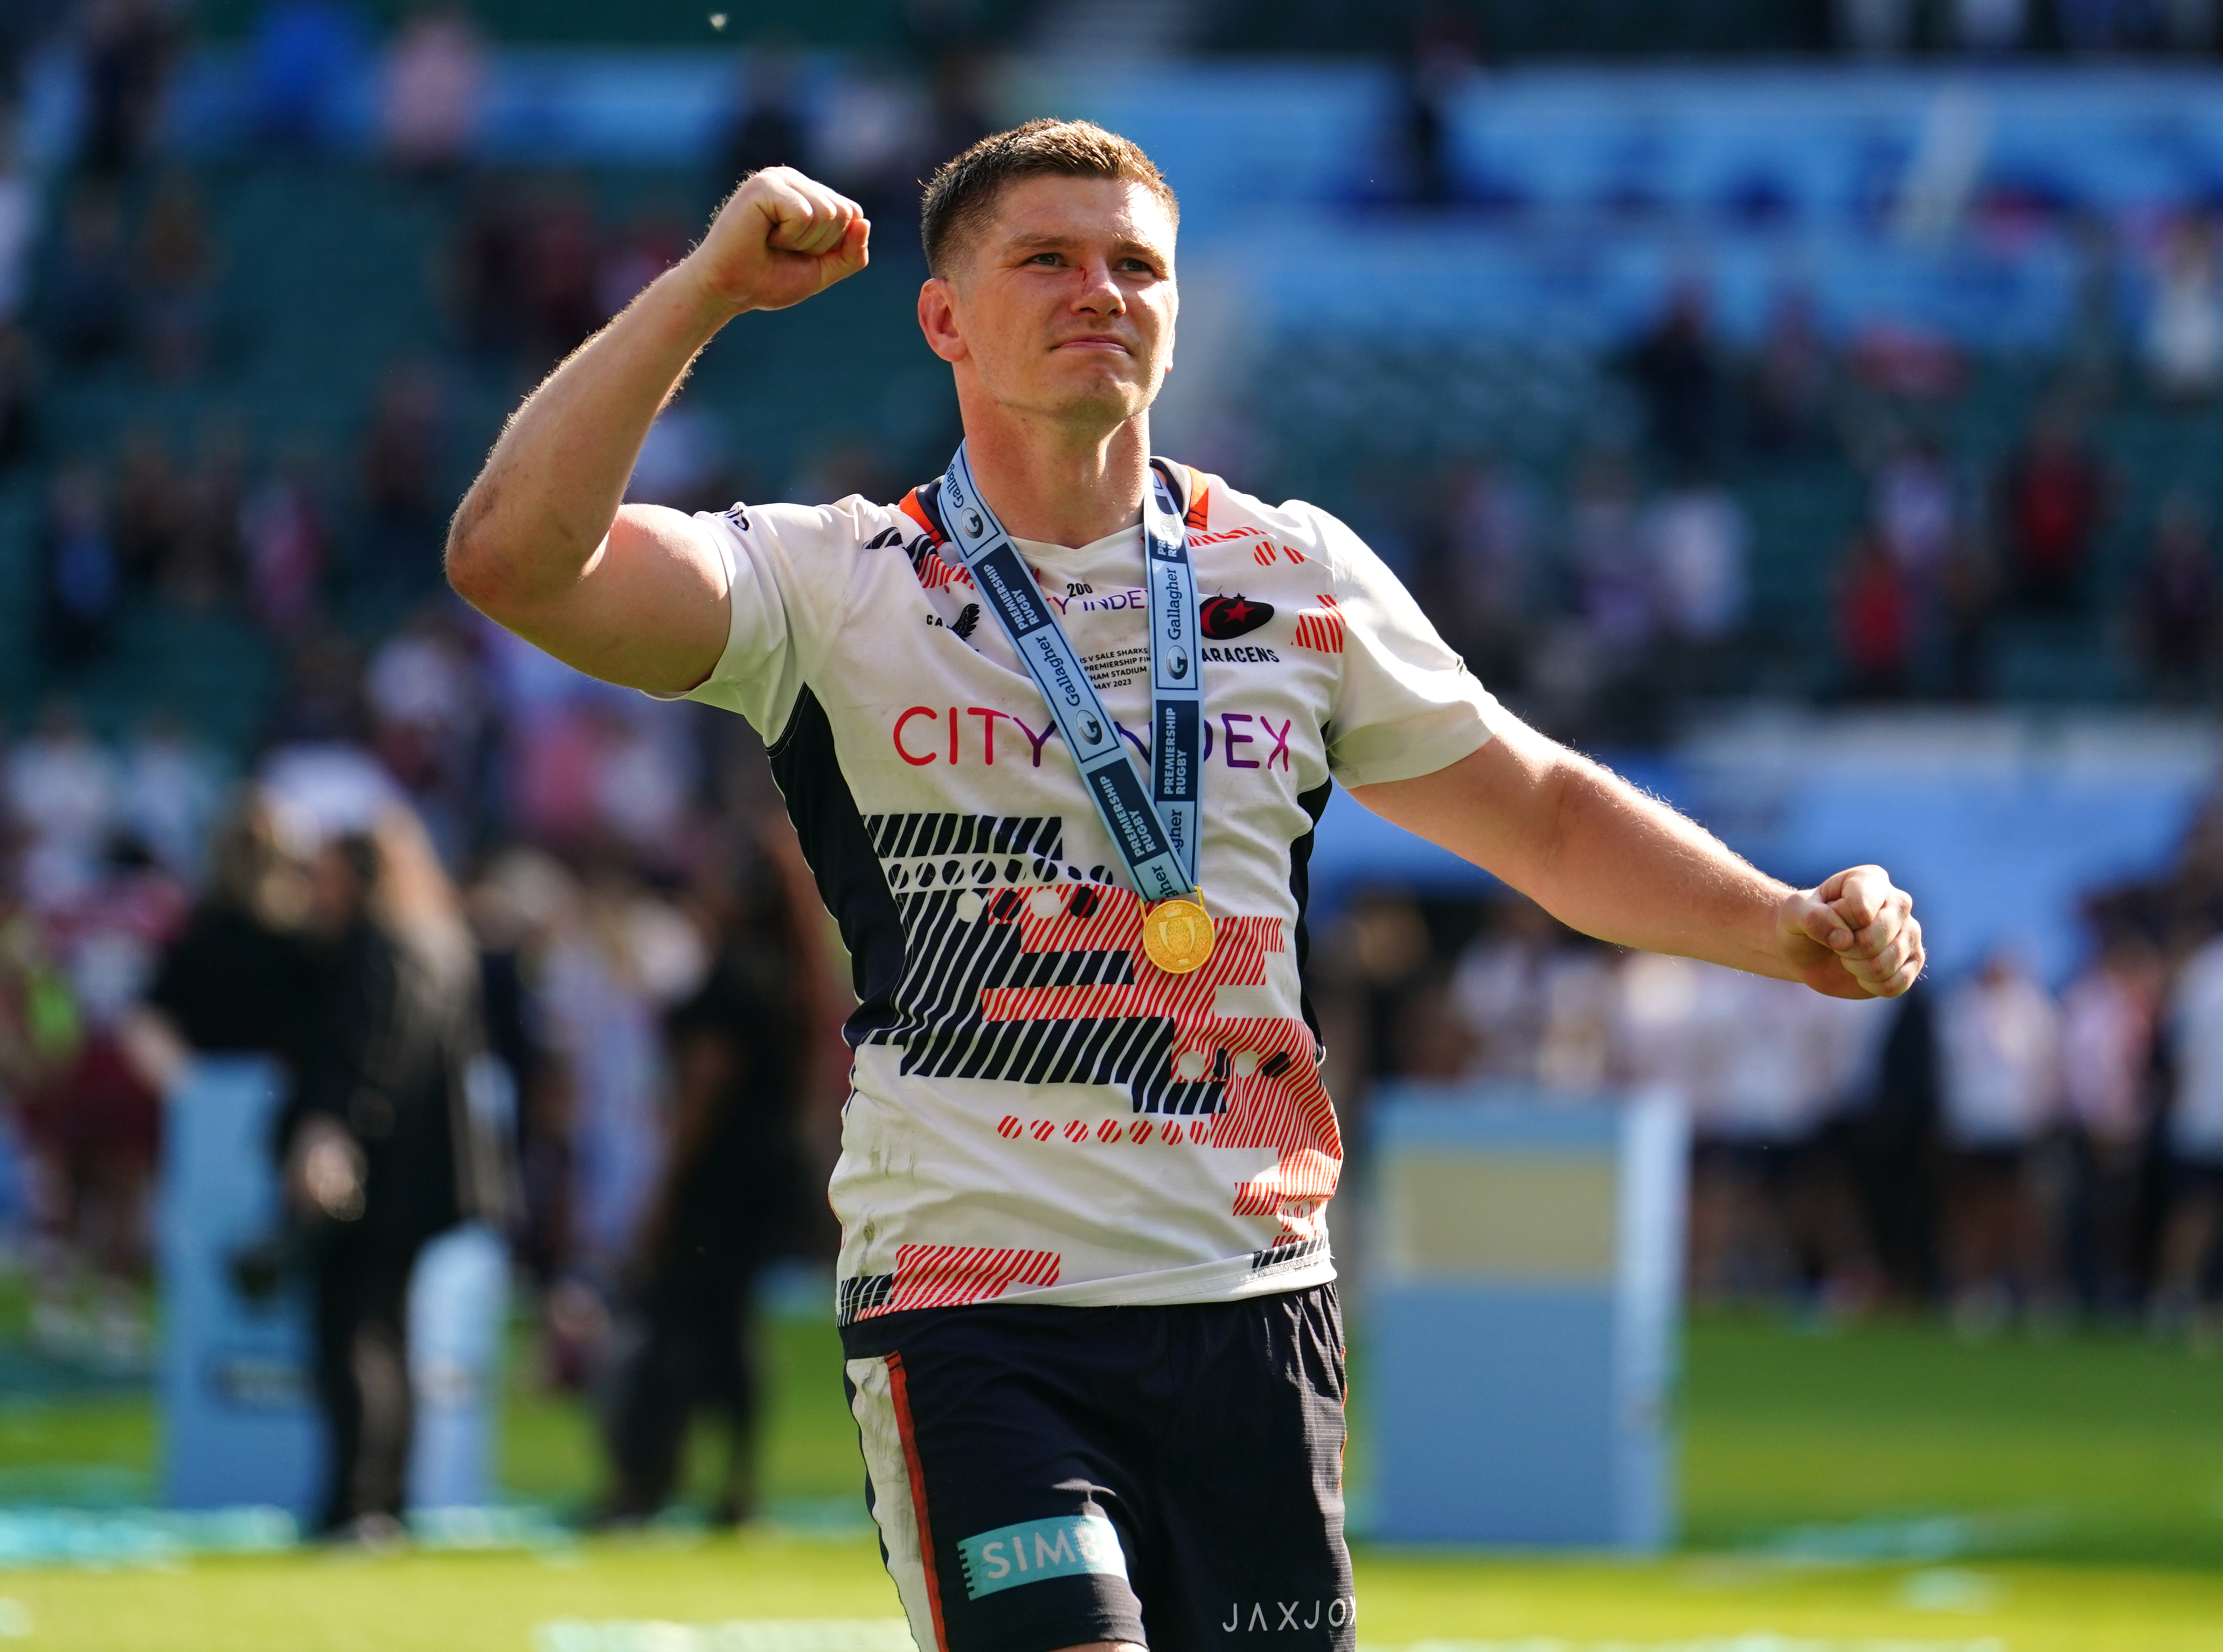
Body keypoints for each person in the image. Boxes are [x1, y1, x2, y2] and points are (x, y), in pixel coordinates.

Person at [446, 121, 1922, 1652]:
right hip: (975, 1304)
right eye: (1045, 260)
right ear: (943, 318)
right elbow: (513, 561)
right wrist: (701, 289)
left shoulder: (1293, 573)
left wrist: (1776, 925)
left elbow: (1540, 813)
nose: (1100, 291)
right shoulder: (836, 580)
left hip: (1250, 1299)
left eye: (1135, 264)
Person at [599, 828, 822, 1525]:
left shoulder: (732, 976)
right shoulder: (791, 975)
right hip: (767, 1174)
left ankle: (647, 1475)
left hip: (719, 1178)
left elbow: (702, 1089)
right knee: (730, 1328)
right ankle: (735, 1482)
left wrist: (662, 1192)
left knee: (679, 1321)